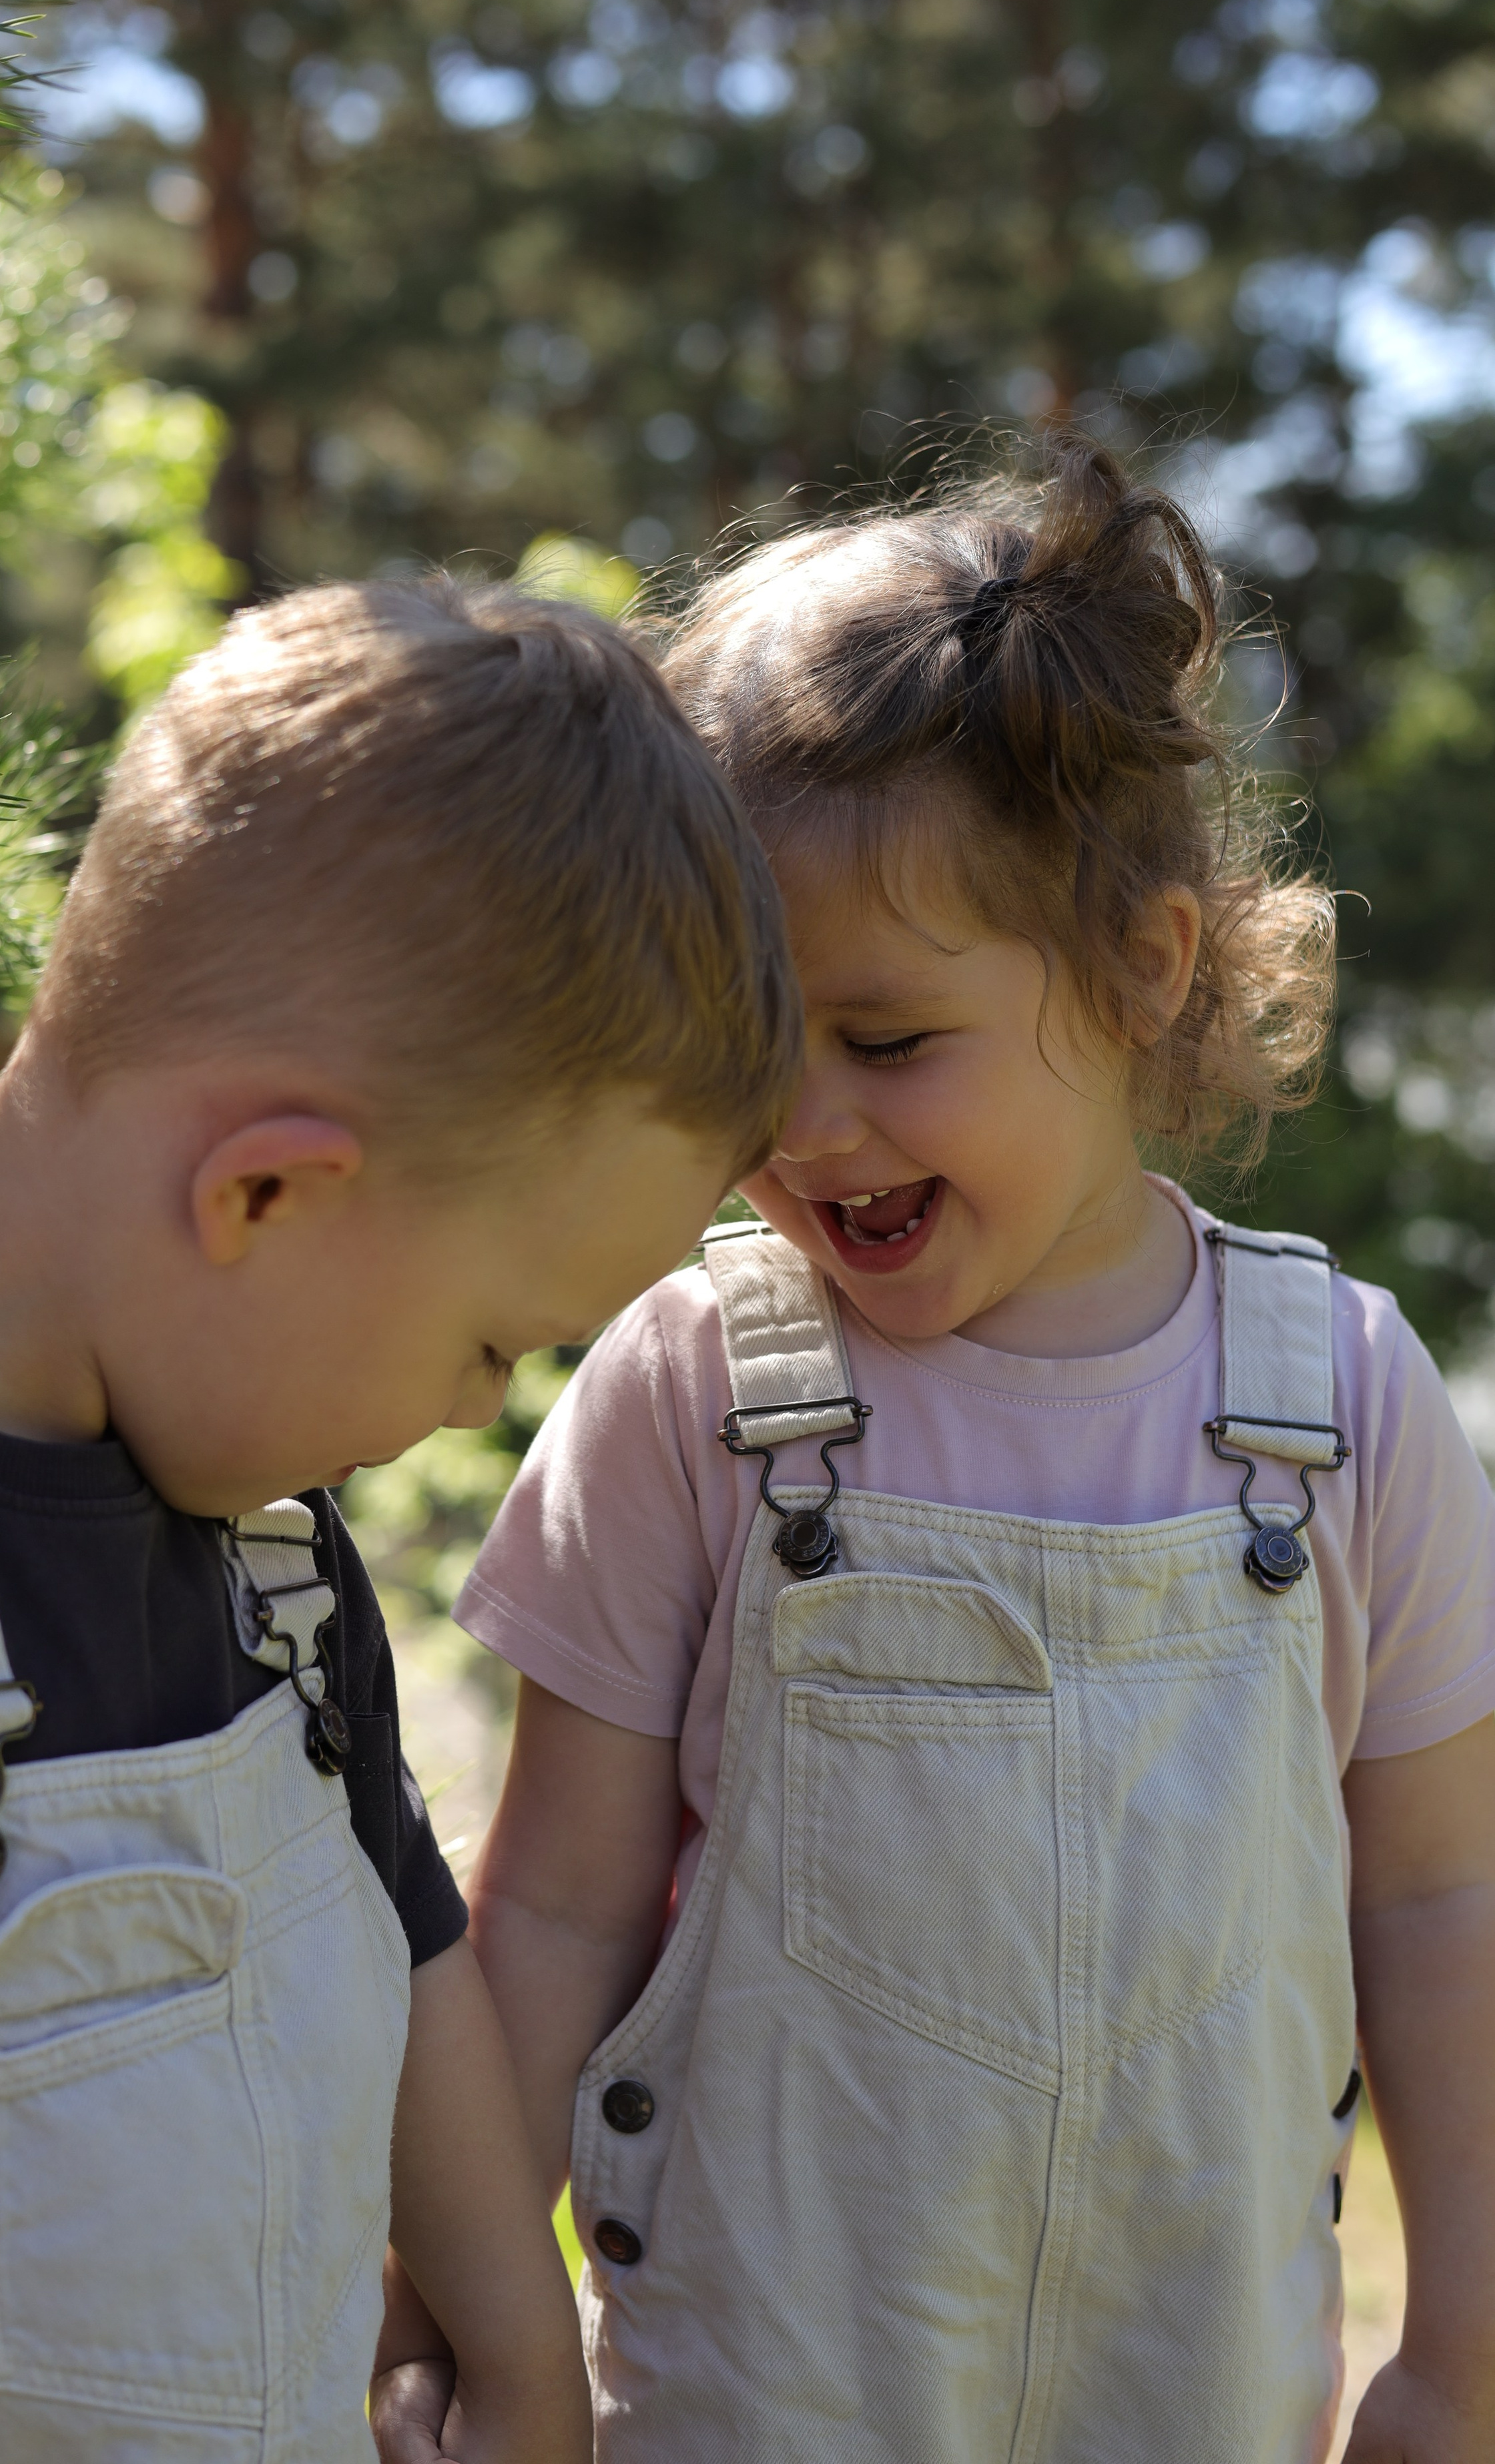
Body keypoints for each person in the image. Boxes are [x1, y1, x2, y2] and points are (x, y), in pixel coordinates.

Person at [455, 446, 1495, 2464]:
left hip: (1190, 2401)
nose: (805, 1125)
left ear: (1144, 969)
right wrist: (465, 2320)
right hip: (755, 2405)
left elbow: (1445, 1907)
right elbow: (557, 1917)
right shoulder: (694, 1389)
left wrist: (1462, 2351)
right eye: (748, 1040)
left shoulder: (1347, 1408)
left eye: (887, 1040)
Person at [0, 575, 800, 2464]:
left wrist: (521, 2361)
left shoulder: (277, 1572)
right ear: (266, 1195)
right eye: (493, 1341)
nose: (475, 1408)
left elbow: (411, 1953)